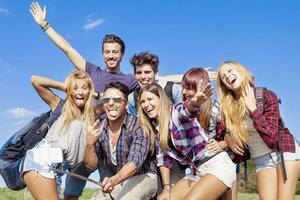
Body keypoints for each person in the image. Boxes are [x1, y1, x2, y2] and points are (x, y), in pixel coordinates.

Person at [137, 68, 236, 200]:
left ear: (161, 99)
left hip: (217, 165)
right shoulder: (157, 129)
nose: (146, 105)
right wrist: (167, 189)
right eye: (142, 102)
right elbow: (163, 159)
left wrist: (194, 103)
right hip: (197, 171)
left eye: (150, 99)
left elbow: (187, 111)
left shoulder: (176, 112)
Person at [217, 61, 300, 200]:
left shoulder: (266, 95)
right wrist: (227, 139)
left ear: (240, 70)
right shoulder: (228, 108)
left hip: (283, 152)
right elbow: (221, 134)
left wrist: (253, 110)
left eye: (230, 71)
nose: (228, 76)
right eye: (224, 77)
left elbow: (273, 138)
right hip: (261, 159)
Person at [22, 71, 95, 200]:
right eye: (75, 88)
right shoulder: (60, 106)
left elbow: (111, 102)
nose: (80, 92)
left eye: (85, 88)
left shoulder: (90, 116)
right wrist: (65, 87)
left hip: (57, 170)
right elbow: (35, 80)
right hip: (40, 162)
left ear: (90, 91)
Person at [84, 81, 157, 200]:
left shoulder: (139, 126)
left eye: (117, 100)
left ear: (126, 105)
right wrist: (90, 144)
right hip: (120, 181)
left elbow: (134, 164)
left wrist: (113, 180)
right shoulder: (99, 129)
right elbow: (90, 166)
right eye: (106, 100)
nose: (111, 103)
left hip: (145, 176)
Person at [128, 52, 182, 116]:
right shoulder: (133, 98)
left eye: (147, 72)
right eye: (139, 73)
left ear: (156, 74)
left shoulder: (172, 90)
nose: (143, 77)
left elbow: (184, 116)